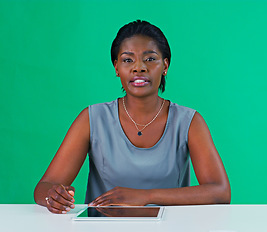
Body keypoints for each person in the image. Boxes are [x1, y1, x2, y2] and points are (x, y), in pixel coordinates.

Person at [34, 20, 231, 214]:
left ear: (165, 66)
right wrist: (53, 196)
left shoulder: (188, 121)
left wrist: (146, 196)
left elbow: (220, 192)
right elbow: (44, 187)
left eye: (150, 58)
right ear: (116, 67)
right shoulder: (92, 118)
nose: (139, 67)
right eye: (128, 60)